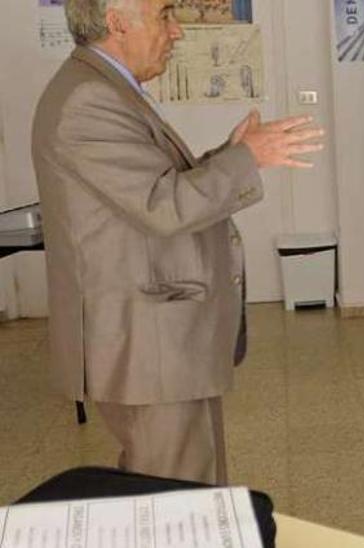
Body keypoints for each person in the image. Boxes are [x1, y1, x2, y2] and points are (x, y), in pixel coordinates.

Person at [34, 0, 324, 484]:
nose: (177, 32)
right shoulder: (87, 99)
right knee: (174, 494)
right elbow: (164, 206)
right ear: (117, 21)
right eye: (164, 15)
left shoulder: (105, 88)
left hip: (158, 335)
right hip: (144, 341)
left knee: (191, 480)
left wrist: (232, 155)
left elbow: (151, 186)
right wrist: (248, 158)